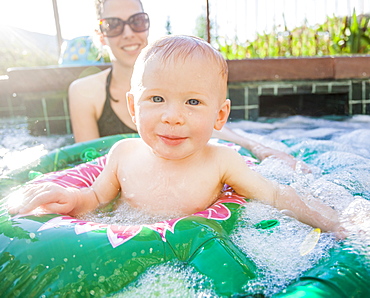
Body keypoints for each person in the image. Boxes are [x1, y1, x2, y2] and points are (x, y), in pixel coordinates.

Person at [8, 35, 341, 236]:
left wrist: (337, 221)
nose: (172, 116)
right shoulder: (123, 153)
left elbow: (276, 196)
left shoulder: (223, 161)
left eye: (193, 102)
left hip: (193, 251)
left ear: (220, 115)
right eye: (156, 99)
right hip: (128, 246)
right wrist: (72, 199)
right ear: (133, 107)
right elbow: (95, 199)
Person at [68, 0, 304, 170]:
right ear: (100, 35)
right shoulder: (85, 92)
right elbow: (88, 163)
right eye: (114, 25)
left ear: (147, 26)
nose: (128, 33)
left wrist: (261, 149)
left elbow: (212, 123)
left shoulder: (179, 76)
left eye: (137, 21)